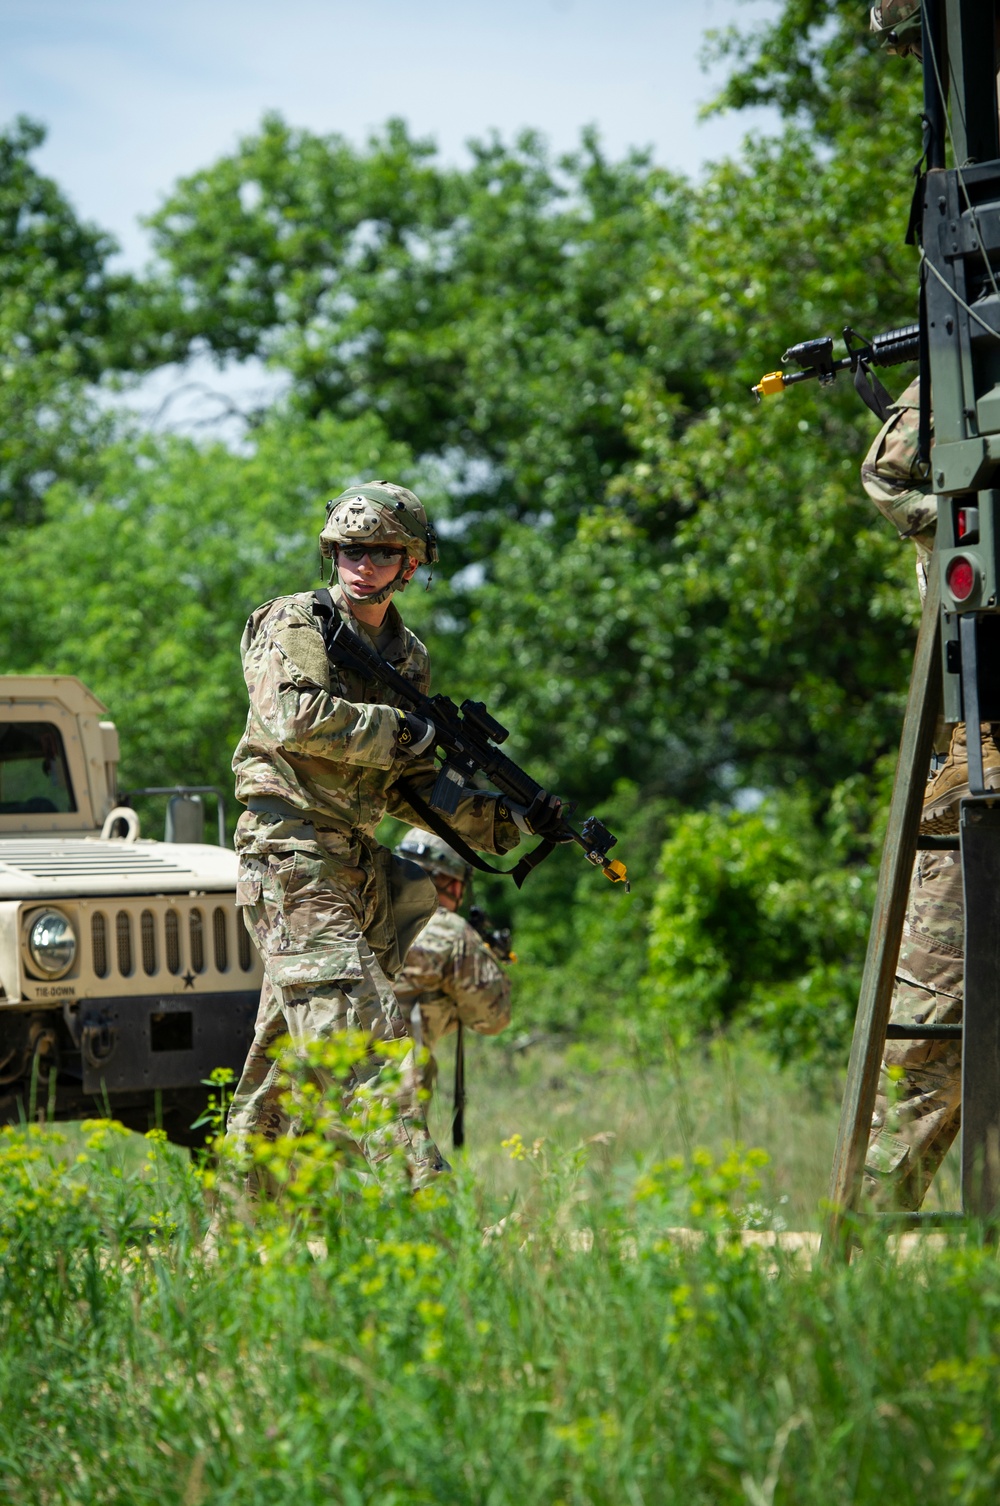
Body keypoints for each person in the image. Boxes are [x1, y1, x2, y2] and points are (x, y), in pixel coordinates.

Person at [225, 480, 562, 1188]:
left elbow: (405, 782)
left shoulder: (407, 654)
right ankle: (423, 1211)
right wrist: (403, 730)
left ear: (411, 562)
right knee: (362, 1039)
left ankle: (233, 1241)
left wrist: (504, 821)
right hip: (290, 851)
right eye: (350, 548)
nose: (362, 563)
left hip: (353, 863)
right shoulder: (295, 623)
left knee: (279, 1067)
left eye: (381, 551)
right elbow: (296, 718)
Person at [861, 382, 1000, 1207]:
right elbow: (889, 479)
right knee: (933, 1031)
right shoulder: (971, 359)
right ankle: (875, 1239)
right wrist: (972, 531)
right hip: (983, 746)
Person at [392, 828, 512, 1104]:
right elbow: (494, 1018)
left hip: (310, 1079)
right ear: (454, 883)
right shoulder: (449, 931)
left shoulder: (351, 909)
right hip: (389, 1090)